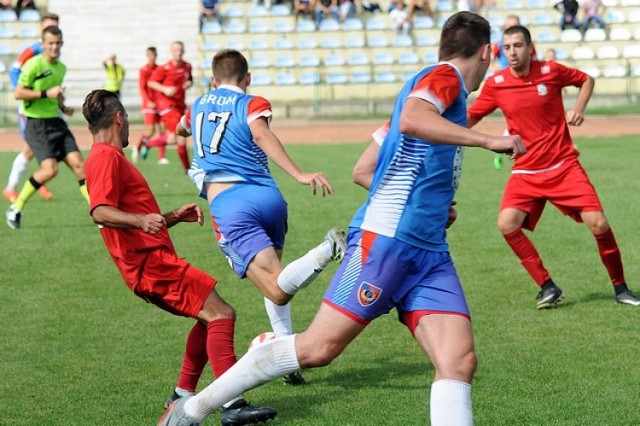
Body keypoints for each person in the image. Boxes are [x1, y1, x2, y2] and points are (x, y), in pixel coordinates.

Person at [158, 12, 525, 425]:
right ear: (484, 52)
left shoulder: (430, 96)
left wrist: (434, 206)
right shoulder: (444, 78)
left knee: (458, 360)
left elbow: (363, 170)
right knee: (318, 349)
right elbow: (413, 119)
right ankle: (192, 409)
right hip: (385, 243)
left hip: (428, 252)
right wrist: (490, 139)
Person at [81, 89, 278, 426]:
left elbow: (129, 214)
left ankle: (183, 394)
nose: (130, 126)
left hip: (150, 262)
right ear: (118, 119)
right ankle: (232, 405)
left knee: (208, 315)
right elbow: (100, 211)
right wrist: (142, 220)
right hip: (149, 264)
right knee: (221, 314)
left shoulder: (108, 156)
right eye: (128, 119)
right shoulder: (105, 157)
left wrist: (171, 216)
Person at [168, 48, 347, 397]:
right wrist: (296, 175)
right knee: (277, 281)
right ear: (246, 79)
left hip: (231, 204)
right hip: (269, 198)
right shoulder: (251, 102)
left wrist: (190, 162)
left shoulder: (198, 105)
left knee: (277, 287)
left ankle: (324, 253)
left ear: (213, 79)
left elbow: (180, 129)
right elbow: (261, 134)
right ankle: (286, 350)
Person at [467, 25, 640, 309]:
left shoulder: (551, 71)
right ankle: (547, 286)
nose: (512, 52)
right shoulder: (496, 84)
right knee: (506, 224)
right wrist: (444, 133)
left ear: (530, 47)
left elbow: (586, 79)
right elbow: (471, 118)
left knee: (599, 223)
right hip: (525, 171)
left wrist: (579, 108)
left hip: (563, 166)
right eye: (507, 47)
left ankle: (620, 288)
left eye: (518, 46)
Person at [6, 26, 89, 230]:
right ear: (42, 44)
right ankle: (16, 207)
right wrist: (45, 94)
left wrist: (63, 106)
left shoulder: (61, 67)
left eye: (58, 43)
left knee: (80, 166)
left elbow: (56, 93)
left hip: (56, 121)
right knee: (49, 170)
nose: (54, 47)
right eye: (50, 43)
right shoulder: (33, 65)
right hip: (36, 124)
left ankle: (97, 211)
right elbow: (18, 93)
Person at [3, 12, 59, 203]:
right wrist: (24, 93)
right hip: (31, 108)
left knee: (38, 147)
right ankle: (12, 188)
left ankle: (38, 180)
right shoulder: (33, 50)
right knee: (30, 148)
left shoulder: (53, 52)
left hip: (46, 109)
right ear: (41, 30)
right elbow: (14, 70)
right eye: (48, 27)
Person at [147, 41, 193, 169]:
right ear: (171, 52)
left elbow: (189, 80)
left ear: (183, 51)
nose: (178, 52)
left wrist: (189, 84)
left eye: (180, 50)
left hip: (179, 104)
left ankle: (148, 143)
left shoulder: (187, 66)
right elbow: (151, 83)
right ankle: (187, 169)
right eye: (176, 50)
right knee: (180, 135)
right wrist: (164, 89)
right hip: (167, 105)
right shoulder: (165, 68)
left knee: (175, 138)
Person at [132, 46, 167, 164]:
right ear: (147, 55)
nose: (152, 57)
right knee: (150, 131)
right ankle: (137, 148)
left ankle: (161, 156)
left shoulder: (159, 69)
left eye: (154, 55)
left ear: (156, 55)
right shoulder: (144, 70)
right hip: (149, 105)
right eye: (150, 55)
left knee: (163, 129)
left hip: (160, 104)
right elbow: (142, 87)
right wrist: (148, 101)